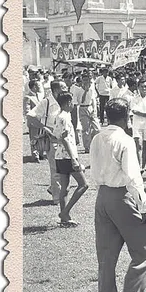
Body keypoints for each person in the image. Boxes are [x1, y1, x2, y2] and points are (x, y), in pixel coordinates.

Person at [89, 98, 146, 292]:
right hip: (121, 195)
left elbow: (94, 170)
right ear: (126, 118)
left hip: (102, 196)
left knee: (106, 254)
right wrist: (142, 205)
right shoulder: (125, 140)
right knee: (144, 246)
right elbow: (133, 176)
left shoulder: (97, 138)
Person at [26, 80, 68, 204]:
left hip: (65, 140)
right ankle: (57, 198)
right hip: (52, 139)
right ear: (55, 90)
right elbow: (30, 116)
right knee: (56, 169)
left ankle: (53, 188)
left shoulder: (65, 100)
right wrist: (44, 128)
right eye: (63, 87)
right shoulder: (47, 102)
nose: (66, 88)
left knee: (68, 168)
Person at [51, 92, 88, 227]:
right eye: (72, 102)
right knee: (83, 185)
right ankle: (65, 212)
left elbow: (56, 137)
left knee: (65, 188)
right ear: (68, 103)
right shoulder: (65, 117)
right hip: (67, 156)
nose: (73, 104)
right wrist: (73, 159)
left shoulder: (58, 117)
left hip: (59, 156)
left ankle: (64, 219)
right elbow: (65, 139)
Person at [76, 73, 100, 153]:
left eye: (88, 80)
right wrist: (85, 92)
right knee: (86, 129)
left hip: (90, 108)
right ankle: (87, 147)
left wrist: (94, 110)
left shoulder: (92, 90)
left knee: (97, 128)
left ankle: (92, 143)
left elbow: (93, 100)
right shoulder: (79, 90)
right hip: (83, 108)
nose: (86, 82)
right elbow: (81, 101)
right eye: (84, 80)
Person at [24, 80, 44, 161]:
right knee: (34, 138)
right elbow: (27, 111)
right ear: (34, 87)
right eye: (38, 85)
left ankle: (41, 153)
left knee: (41, 137)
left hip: (41, 121)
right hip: (33, 121)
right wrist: (34, 119)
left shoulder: (39, 96)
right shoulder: (28, 97)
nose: (40, 87)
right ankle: (35, 156)